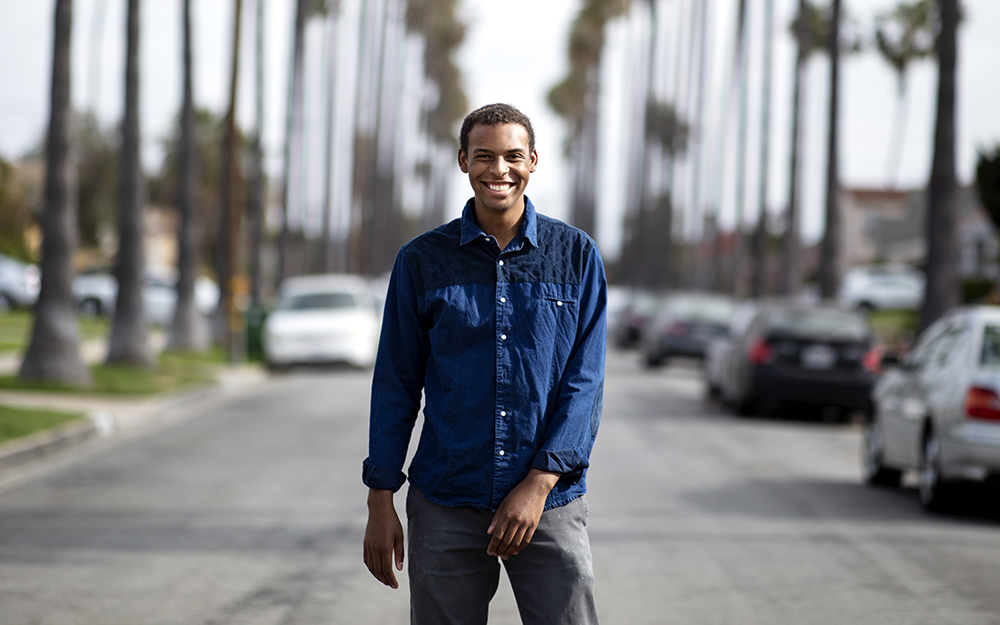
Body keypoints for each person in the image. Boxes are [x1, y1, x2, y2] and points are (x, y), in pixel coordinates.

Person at [362, 103, 607, 625]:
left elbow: (584, 384)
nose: (499, 170)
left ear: (533, 160)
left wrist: (538, 484)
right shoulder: (422, 260)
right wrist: (379, 500)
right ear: (463, 161)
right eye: (484, 156)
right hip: (447, 499)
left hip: (550, 504)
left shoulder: (576, 256)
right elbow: (396, 384)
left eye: (512, 156)